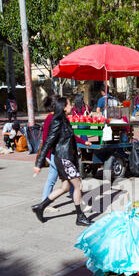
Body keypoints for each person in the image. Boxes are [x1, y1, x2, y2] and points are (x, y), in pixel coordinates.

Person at [32, 96, 93, 226]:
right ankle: (80, 217)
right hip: (63, 158)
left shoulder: (63, 120)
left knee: (65, 187)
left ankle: (40, 207)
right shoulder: (56, 121)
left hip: (65, 157)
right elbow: (47, 142)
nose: (71, 106)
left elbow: (71, 136)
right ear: (64, 107)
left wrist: (84, 141)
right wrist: (39, 164)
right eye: (70, 104)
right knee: (78, 185)